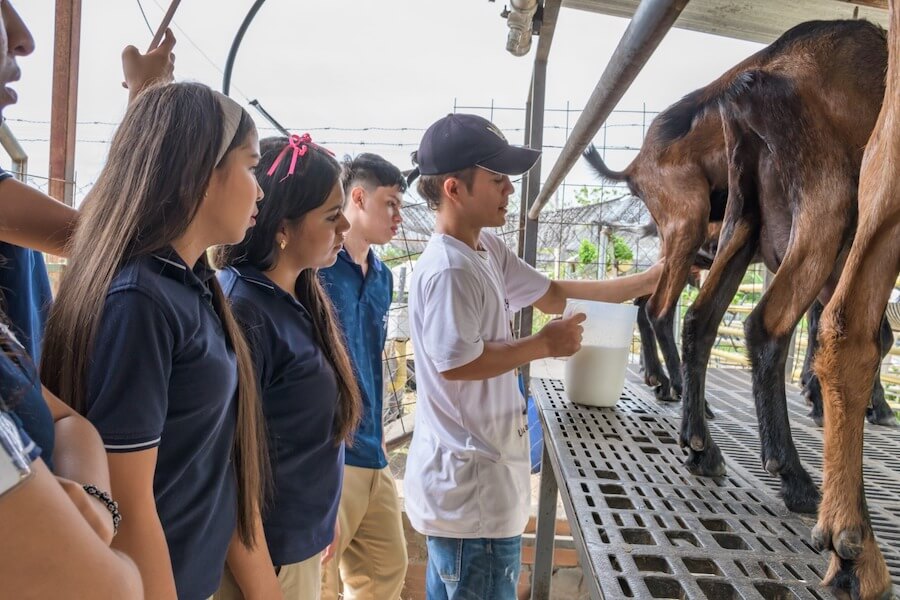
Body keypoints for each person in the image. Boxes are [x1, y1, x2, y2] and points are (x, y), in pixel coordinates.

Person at [405, 113, 663, 599]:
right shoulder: (449, 270)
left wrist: (649, 280)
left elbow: (554, 294)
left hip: (479, 493)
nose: (509, 190)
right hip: (470, 503)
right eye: (498, 179)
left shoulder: (486, 249)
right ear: (455, 189)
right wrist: (544, 345)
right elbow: (456, 363)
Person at [41, 82, 269, 600]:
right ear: (199, 171)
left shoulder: (186, 285)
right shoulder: (140, 300)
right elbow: (127, 501)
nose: (260, 190)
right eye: (250, 166)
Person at [213, 135, 361, 600]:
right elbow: (230, 472)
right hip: (262, 566)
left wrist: (323, 519)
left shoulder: (298, 295)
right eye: (331, 216)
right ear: (282, 227)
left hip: (292, 550)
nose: (345, 227)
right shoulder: (244, 311)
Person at [319, 153, 408, 600]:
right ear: (358, 196)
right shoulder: (315, 269)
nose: (398, 216)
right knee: (321, 580)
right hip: (332, 451)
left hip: (375, 449)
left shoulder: (384, 277)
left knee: (387, 569)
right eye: (390, 203)